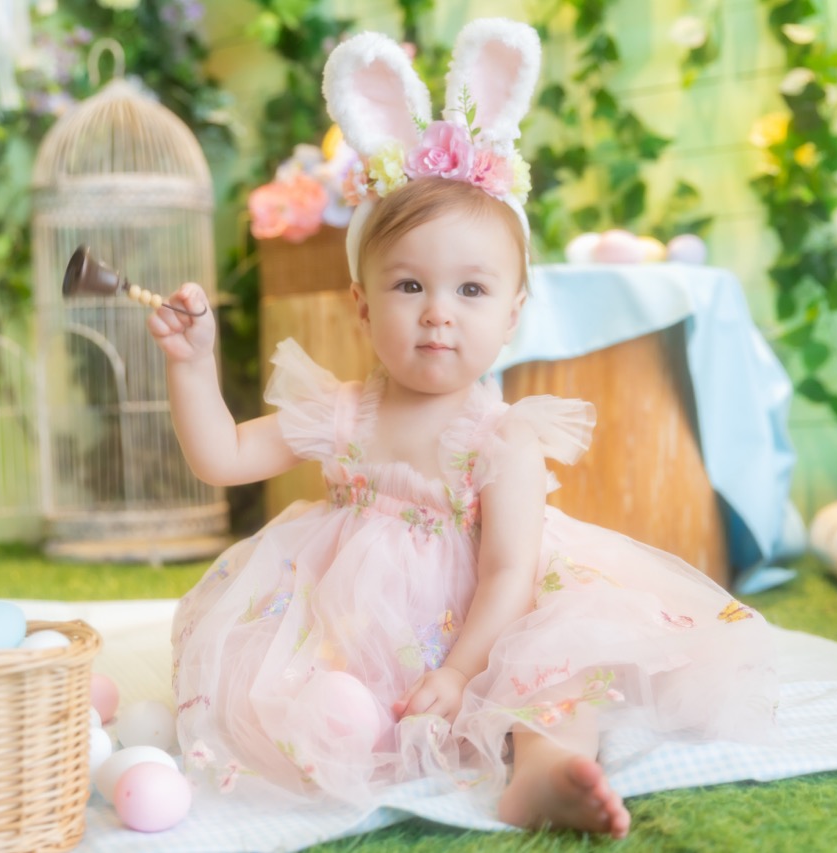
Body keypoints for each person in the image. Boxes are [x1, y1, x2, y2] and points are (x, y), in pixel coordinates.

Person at [146, 19, 777, 839]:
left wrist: (459, 671)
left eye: (471, 290)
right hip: (358, 624)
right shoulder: (341, 412)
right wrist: (192, 365)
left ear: (513, 312)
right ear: (362, 305)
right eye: (409, 285)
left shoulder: (502, 438)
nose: (438, 313)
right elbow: (222, 456)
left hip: (489, 620)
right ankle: (348, 726)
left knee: (559, 666)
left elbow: (510, 570)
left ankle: (544, 769)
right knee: (301, 687)